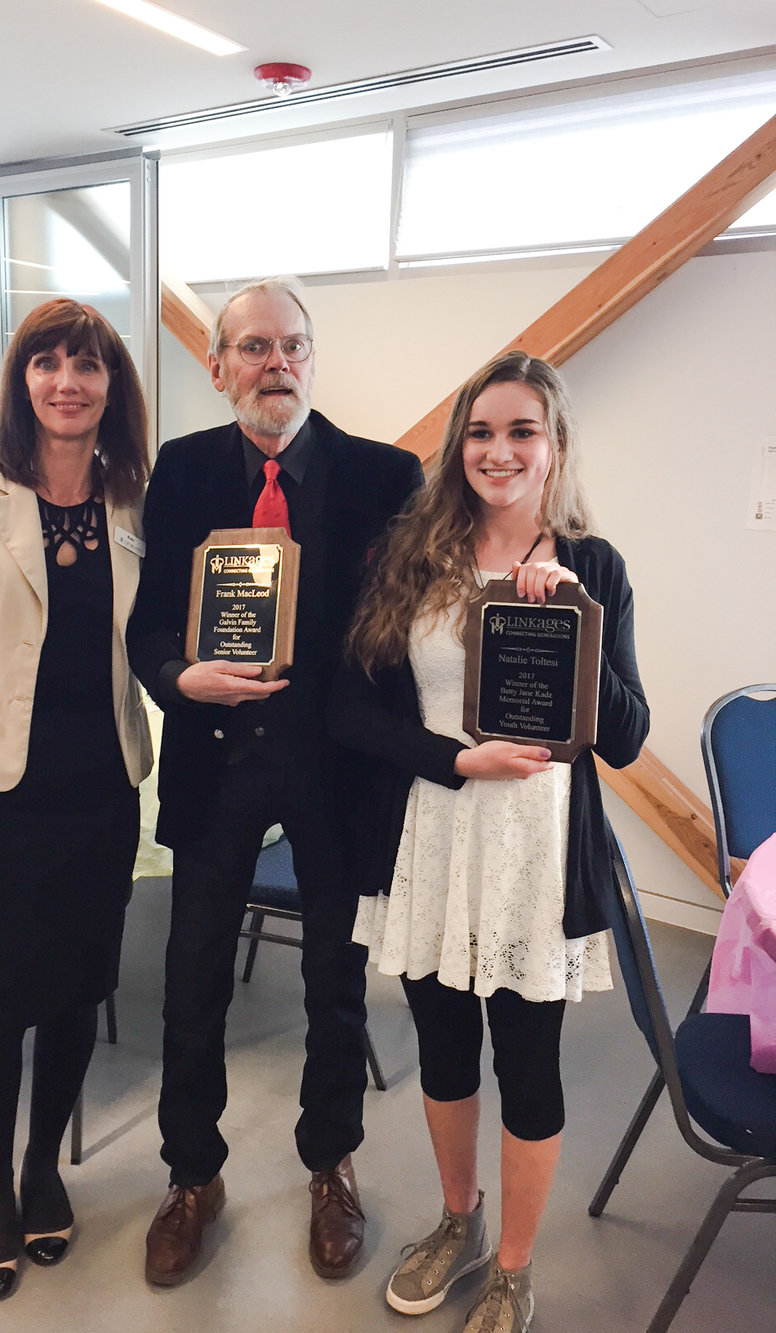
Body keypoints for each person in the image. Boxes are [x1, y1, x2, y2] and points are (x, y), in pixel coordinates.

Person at [329, 351, 649, 1331]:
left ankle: (512, 1264)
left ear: (553, 448)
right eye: (480, 430)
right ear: (457, 443)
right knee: (441, 1047)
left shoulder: (591, 565)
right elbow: (349, 710)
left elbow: (627, 737)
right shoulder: (408, 557)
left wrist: (576, 624)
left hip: (534, 855)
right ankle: (455, 1219)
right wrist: (451, 759)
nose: (498, 450)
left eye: (521, 431)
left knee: (530, 1060)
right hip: (434, 831)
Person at [127, 277, 423, 1286]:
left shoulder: (386, 476)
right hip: (217, 761)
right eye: (252, 347)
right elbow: (147, 623)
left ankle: (330, 1163)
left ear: (311, 357)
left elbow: (431, 611)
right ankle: (190, 1176)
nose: (276, 363)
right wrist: (177, 676)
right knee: (192, 983)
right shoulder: (180, 470)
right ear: (217, 369)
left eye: (292, 345)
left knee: (334, 986)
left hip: (334, 767)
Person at [0, 298, 152, 1302]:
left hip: (99, 793)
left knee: (70, 996)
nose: (66, 382)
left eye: (86, 365)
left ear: (111, 386)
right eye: (46, 363)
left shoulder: (135, 500)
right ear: (22, 383)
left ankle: (45, 1163)